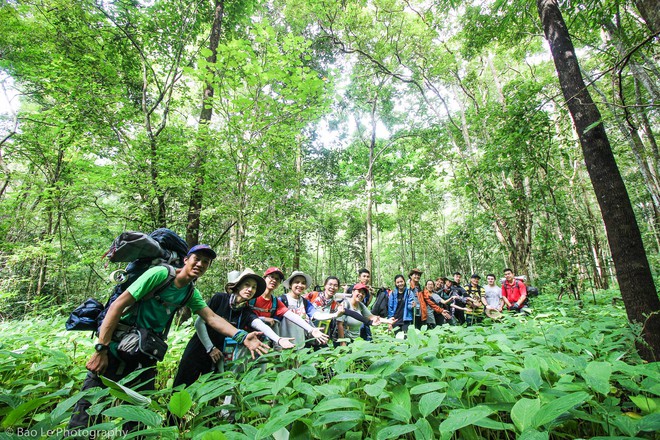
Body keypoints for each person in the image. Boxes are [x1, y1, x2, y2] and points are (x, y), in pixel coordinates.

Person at [68, 245, 269, 430]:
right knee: (87, 409)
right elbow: (117, 306)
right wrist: (100, 349)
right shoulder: (160, 274)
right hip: (114, 348)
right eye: (196, 259)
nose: (200, 264)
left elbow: (212, 318)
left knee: (139, 415)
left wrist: (242, 336)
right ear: (185, 260)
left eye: (205, 262)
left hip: (145, 354)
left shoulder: (190, 292)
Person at [172, 269, 294, 388]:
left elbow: (259, 324)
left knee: (212, 391)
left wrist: (278, 339)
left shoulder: (245, 311)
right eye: (247, 285)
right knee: (182, 385)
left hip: (219, 355)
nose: (250, 289)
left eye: (254, 287)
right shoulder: (220, 299)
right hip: (199, 348)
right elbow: (199, 323)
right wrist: (210, 348)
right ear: (238, 285)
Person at [278, 271, 338, 348]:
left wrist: (335, 314)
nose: (300, 285)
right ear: (290, 284)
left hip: (301, 344)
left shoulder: (304, 302)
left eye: (303, 283)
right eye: (297, 282)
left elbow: (316, 315)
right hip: (284, 344)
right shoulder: (282, 300)